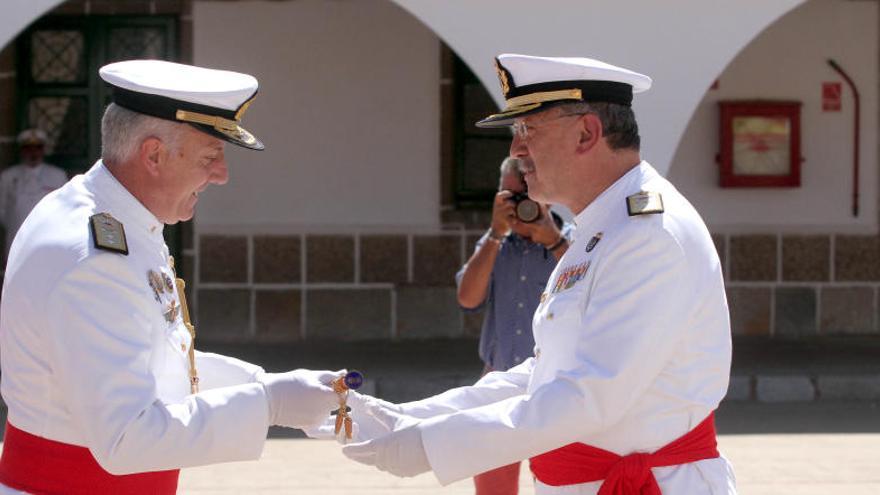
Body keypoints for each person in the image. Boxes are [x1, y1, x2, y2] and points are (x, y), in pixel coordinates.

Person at [341, 54, 736, 494]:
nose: (516, 150)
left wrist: (432, 444)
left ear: (587, 132)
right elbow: (545, 372)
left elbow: (592, 394)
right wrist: (417, 416)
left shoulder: (647, 234)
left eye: (529, 130)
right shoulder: (600, 227)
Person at [0, 60, 343, 494]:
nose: (221, 174)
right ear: (154, 154)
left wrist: (265, 385)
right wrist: (269, 404)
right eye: (210, 156)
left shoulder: (110, 215)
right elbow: (127, 438)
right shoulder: (94, 258)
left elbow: (153, 359)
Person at [457, 156, 571, 495]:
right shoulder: (496, 244)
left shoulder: (573, 241)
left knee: (557, 485)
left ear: (545, 193)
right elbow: (467, 298)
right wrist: (495, 234)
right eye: (510, 196)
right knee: (493, 489)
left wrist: (552, 240)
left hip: (554, 388)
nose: (519, 206)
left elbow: (592, 292)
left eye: (525, 196)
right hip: (498, 381)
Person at [0, 128, 68, 257]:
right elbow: (2, 210)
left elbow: (64, 207)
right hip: (17, 237)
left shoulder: (57, 176)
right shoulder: (8, 176)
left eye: (37, 148)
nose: (33, 152)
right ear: (22, 151)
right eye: (28, 148)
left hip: (48, 237)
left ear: (43, 150)